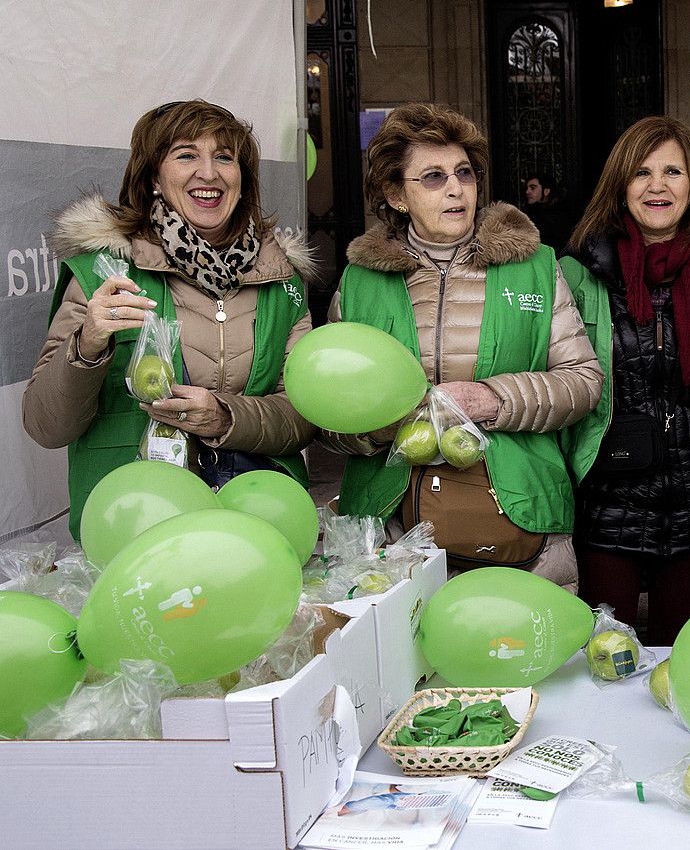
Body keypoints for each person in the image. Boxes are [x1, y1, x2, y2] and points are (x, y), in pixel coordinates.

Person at [324, 103, 602, 589]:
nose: (456, 188)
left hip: (518, 519)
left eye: (464, 173)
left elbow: (583, 381)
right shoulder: (360, 280)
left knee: (514, 653)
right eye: (432, 177)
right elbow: (324, 410)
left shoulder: (533, 266)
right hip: (391, 529)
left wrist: (492, 400)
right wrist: (377, 425)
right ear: (395, 195)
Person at [24, 100, 317, 540]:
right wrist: (87, 346)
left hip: (255, 523)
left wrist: (225, 417)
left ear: (243, 180)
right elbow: (47, 426)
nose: (210, 173)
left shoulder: (281, 279)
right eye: (186, 155)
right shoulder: (104, 272)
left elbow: (304, 415)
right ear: (154, 178)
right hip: (136, 522)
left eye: (224, 157)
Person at [560, 116, 690, 646]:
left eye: (674, 171)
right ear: (620, 185)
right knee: (601, 657)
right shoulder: (576, 277)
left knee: (684, 660)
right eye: (642, 171)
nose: (658, 185)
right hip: (607, 498)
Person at [523, 171, 574, 251]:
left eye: (533, 188)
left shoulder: (560, 214)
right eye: (527, 188)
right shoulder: (531, 211)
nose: (527, 192)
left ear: (546, 191)